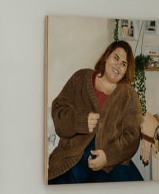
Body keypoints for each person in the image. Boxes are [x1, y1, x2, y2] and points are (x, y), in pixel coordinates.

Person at [48, 40, 144, 184]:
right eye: (116, 58)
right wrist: (79, 121)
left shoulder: (129, 95)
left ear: (126, 71)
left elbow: (132, 137)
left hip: (113, 164)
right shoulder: (80, 78)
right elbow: (58, 112)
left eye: (124, 64)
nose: (118, 65)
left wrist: (107, 157)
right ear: (106, 57)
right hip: (73, 157)